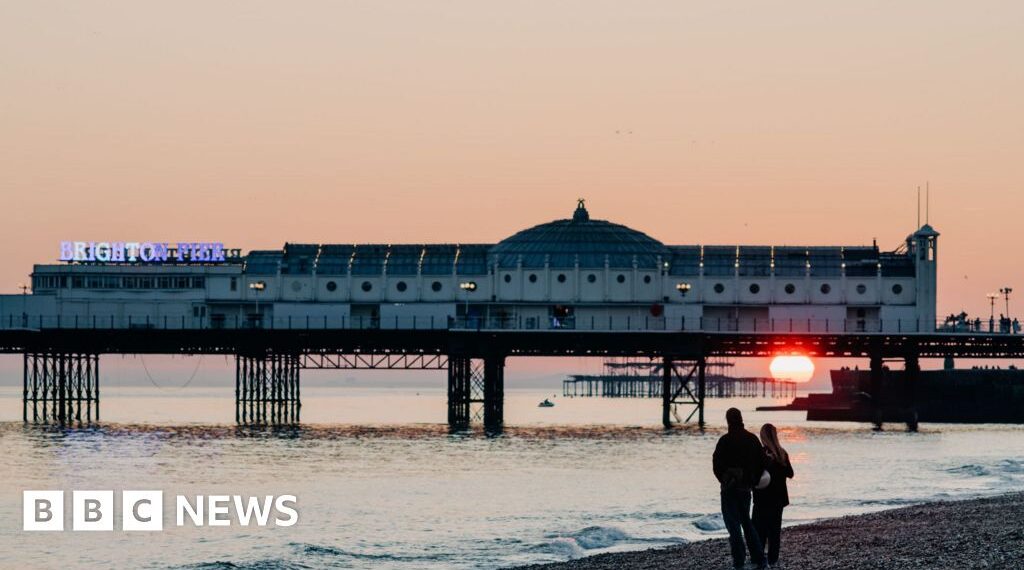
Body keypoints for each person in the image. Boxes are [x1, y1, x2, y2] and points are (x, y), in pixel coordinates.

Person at [713, 408, 766, 569]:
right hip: (745, 488)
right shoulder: (752, 439)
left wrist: (724, 479)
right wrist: (752, 480)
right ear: (741, 419)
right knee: (747, 524)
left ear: (728, 420)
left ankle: (739, 560)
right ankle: (758, 558)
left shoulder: (724, 440)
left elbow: (716, 464)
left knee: (733, 526)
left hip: (729, 489)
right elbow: (762, 462)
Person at [753, 423, 794, 568]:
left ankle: (760, 560)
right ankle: (773, 560)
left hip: (762, 499)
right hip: (778, 499)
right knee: (774, 531)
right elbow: (791, 474)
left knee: (760, 530)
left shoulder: (760, 454)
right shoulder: (782, 453)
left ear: (763, 436)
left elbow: (755, 475)